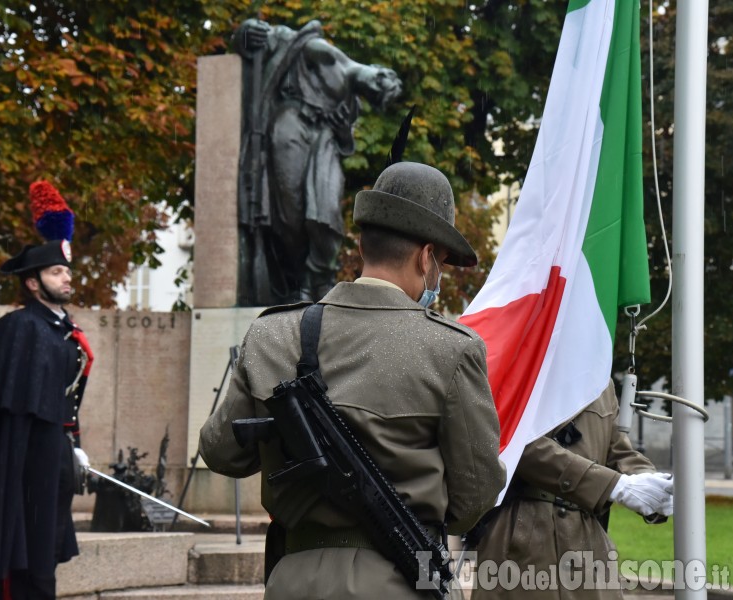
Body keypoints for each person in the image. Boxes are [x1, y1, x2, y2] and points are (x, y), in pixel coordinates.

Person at [200, 161, 507, 599]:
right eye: (440, 262)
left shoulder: (272, 334)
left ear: (363, 244)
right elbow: (475, 494)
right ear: (426, 257)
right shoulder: (452, 349)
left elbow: (221, 453)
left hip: (292, 581)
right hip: (401, 581)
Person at [233, 18, 402, 305]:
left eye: (376, 94)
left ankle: (315, 278)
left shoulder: (351, 102)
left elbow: (344, 139)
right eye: (379, 82)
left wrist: (340, 128)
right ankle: (294, 281)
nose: (373, 87)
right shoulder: (317, 47)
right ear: (378, 71)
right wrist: (247, 31)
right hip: (289, 128)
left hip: (323, 145)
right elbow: (271, 39)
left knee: (326, 214)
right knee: (289, 214)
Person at [470, 381, 674, 600]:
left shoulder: (601, 379)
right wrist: (614, 486)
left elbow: (618, 448)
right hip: (521, 534)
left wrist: (651, 483)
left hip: (586, 539)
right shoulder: (527, 361)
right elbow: (516, 442)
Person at [0, 239, 93, 600]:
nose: (66, 278)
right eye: (56, 271)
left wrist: (72, 445)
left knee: (45, 552)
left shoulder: (61, 328)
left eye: (68, 271)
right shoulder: (21, 327)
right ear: (32, 282)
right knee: (27, 558)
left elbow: (63, 398)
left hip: (54, 455)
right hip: (25, 460)